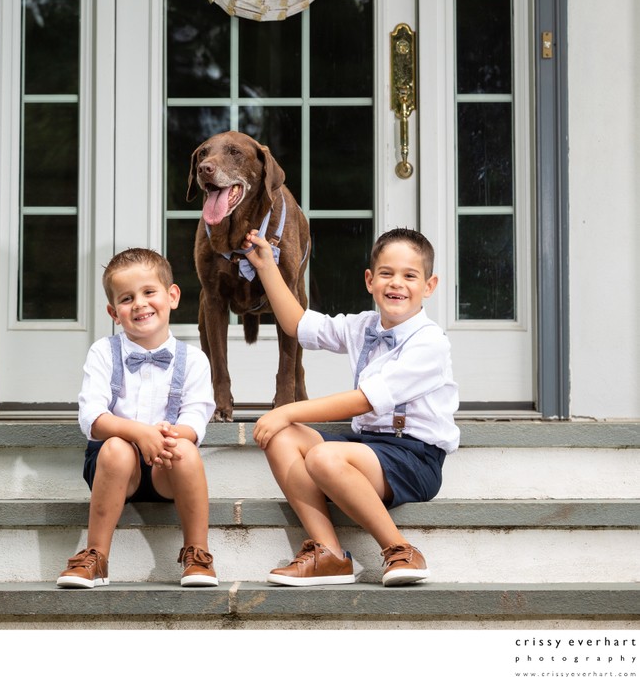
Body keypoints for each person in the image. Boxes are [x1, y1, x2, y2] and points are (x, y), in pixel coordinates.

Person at [242, 226, 459, 587]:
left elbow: (363, 401)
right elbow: (297, 323)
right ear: (370, 280)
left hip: (414, 456)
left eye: (410, 276)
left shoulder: (430, 342)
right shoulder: (363, 326)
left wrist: (287, 409)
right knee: (283, 438)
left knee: (323, 455)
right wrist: (267, 267)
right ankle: (329, 554)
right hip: (367, 448)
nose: (397, 284)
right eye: (387, 274)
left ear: (429, 286)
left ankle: (399, 548)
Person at [57, 247, 217, 589]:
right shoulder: (103, 352)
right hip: (114, 469)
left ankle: (197, 553)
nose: (140, 304)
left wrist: (166, 435)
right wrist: (139, 433)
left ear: (172, 296)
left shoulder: (195, 360)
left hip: (167, 468)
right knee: (115, 446)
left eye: (149, 292)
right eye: (127, 299)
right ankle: (96, 556)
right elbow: (92, 418)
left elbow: (196, 421)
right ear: (114, 313)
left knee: (186, 449)